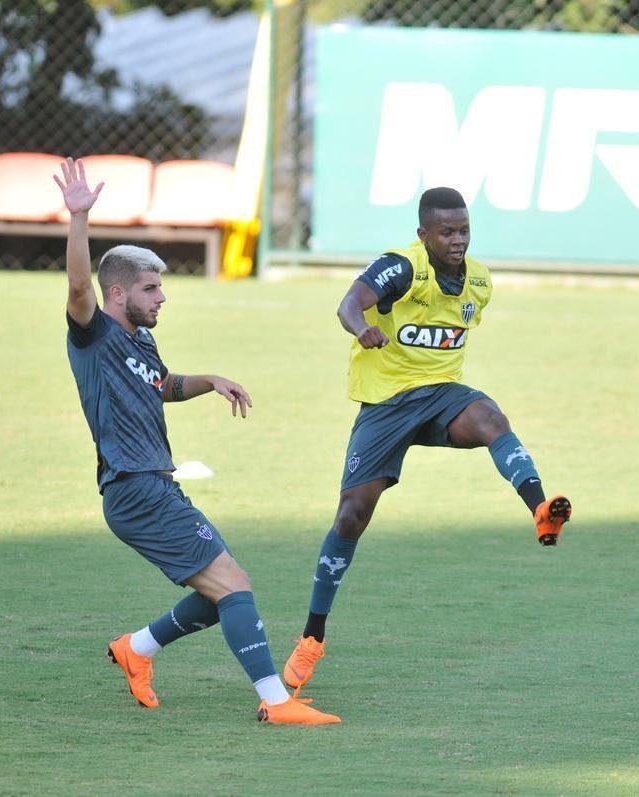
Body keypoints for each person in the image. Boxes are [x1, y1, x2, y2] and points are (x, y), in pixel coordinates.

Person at [54, 157, 338, 725]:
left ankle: (136, 649)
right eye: (151, 288)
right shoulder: (94, 332)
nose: (162, 298)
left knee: (218, 596)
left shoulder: (141, 344)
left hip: (152, 486)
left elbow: (163, 387)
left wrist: (209, 381)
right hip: (135, 488)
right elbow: (78, 282)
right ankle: (277, 702)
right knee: (233, 584)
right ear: (117, 293)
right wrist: (80, 219)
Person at [281, 186, 572, 696]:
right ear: (424, 234)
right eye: (446, 232)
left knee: (491, 420)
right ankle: (312, 636)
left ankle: (540, 507)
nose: (457, 240)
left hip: (440, 396)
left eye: (463, 231)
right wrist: (361, 329)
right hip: (387, 404)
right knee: (351, 516)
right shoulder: (401, 268)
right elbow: (350, 303)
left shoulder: (478, 280)